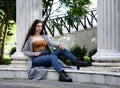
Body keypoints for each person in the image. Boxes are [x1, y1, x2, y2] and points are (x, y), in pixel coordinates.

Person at [22, 19, 91, 82]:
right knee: (53, 57)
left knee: (61, 49)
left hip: (47, 56)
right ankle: (62, 74)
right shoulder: (30, 38)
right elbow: (25, 51)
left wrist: (59, 45)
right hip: (37, 58)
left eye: (41, 26)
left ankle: (77, 61)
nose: (40, 28)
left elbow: (52, 43)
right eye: (38, 26)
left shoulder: (44, 36)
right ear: (34, 26)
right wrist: (34, 54)